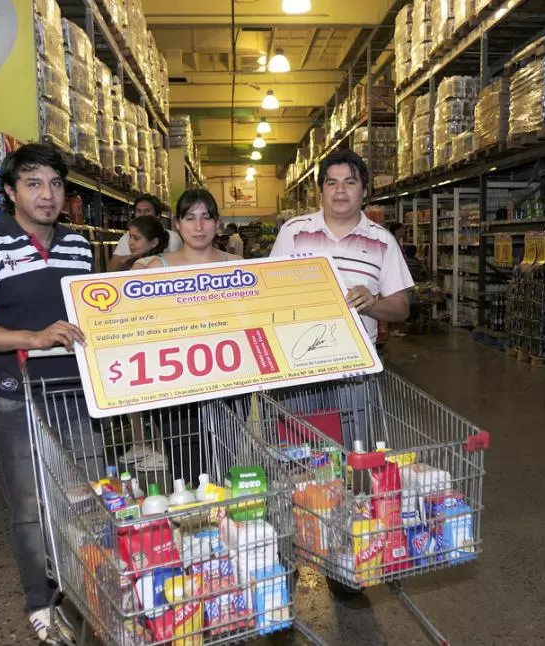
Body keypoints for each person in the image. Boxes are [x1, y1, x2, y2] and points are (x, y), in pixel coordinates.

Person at [0, 143, 95, 643]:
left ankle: (88, 587)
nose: (47, 194)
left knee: (86, 497)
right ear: (11, 192)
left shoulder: (78, 247)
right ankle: (41, 600)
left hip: (76, 396)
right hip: (19, 397)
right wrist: (32, 339)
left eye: (55, 183)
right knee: (30, 507)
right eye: (33, 183)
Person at [139, 189, 240, 487]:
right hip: (176, 383)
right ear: (177, 223)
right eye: (190, 218)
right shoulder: (157, 268)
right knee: (187, 468)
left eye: (206, 218)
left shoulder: (236, 264)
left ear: (217, 223)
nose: (199, 226)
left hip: (230, 379)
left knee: (227, 461)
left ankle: (226, 513)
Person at [270, 148, 413, 344]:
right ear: (321, 191)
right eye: (331, 183)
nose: (340, 190)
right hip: (298, 351)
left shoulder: (383, 241)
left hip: (358, 357)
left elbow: (402, 308)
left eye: (350, 182)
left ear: (364, 191)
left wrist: (371, 304)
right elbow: (269, 292)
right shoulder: (293, 232)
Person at [107, 193, 181, 271]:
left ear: (158, 215)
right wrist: (130, 258)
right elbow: (111, 269)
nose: (142, 214)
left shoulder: (173, 238)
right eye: (138, 211)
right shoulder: (126, 238)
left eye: (147, 211)